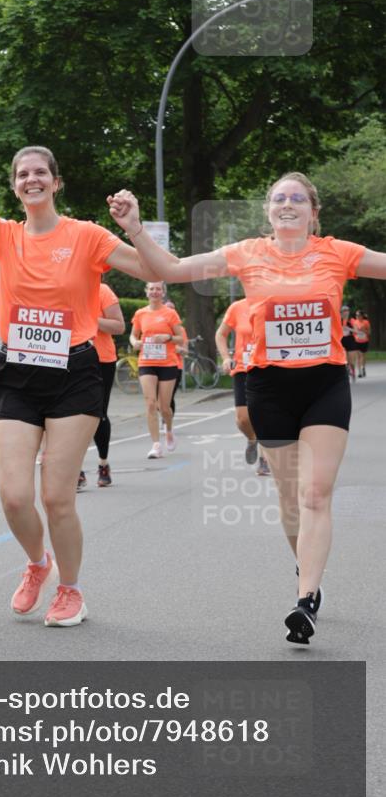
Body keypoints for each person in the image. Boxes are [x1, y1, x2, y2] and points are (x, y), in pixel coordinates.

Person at [108, 172, 386, 646]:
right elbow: (171, 269)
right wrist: (135, 228)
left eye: (298, 199)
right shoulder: (247, 252)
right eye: (279, 198)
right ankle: (305, 565)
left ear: (313, 212)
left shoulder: (338, 252)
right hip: (268, 388)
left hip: (323, 383)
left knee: (316, 494)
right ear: (268, 211)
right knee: (290, 497)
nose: (288, 204)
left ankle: (305, 599)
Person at [0, 120, 156, 627]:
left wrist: (135, 228)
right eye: (23, 174)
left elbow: (152, 270)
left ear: (55, 182)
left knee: (57, 497)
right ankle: (38, 563)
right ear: (15, 186)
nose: (31, 179)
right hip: (18, 372)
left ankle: (71, 590)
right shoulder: (4, 236)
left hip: (74, 372)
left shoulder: (86, 236)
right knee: (15, 497)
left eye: (40, 172)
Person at [76, 280, 124, 489]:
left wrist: (89, 319)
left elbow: (119, 326)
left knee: (97, 414)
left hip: (101, 360)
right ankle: (76, 469)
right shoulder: (64, 288)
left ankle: (103, 463)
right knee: (72, 415)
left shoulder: (102, 291)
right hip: (71, 359)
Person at [216, 298, 270, 476]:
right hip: (243, 368)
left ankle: (264, 460)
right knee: (243, 419)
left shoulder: (274, 303)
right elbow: (221, 334)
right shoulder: (237, 307)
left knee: (264, 415)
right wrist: (226, 358)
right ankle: (252, 439)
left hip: (268, 368)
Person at [130, 283, 184, 459]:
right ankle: (156, 445)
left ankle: (169, 430)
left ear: (163, 293)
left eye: (158, 289)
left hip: (167, 363)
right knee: (150, 403)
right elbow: (133, 335)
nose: (155, 292)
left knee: (164, 407)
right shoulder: (140, 313)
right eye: (151, 289)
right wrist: (134, 343)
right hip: (147, 361)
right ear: (146, 292)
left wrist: (167, 337)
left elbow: (180, 338)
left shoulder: (170, 314)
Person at [163, 299, 187, 420]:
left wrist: (177, 349)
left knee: (169, 396)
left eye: (172, 309)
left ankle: (167, 421)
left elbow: (185, 350)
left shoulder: (180, 330)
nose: (170, 311)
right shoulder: (158, 327)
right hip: (159, 365)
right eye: (168, 309)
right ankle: (165, 417)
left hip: (176, 366)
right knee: (158, 398)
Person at [340, 305, 358, 379]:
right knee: (345, 358)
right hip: (341, 340)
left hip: (350, 339)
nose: (346, 312)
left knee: (351, 359)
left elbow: (356, 331)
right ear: (341, 312)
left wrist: (348, 329)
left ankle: (353, 370)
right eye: (344, 311)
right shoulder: (338, 320)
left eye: (347, 310)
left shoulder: (352, 320)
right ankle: (347, 370)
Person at [351, 309, 370, 377]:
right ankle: (359, 372)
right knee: (358, 356)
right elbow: (354, 332)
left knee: (363, 356)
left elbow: (369, 332)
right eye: (356, 315)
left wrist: (363, 330)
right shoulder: (355, 322)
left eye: (358, 315)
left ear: (362, 316)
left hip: (364, 341)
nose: (357, 316)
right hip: (357, 341)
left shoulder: (366, 322)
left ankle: (363, 368)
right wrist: (355, 332)